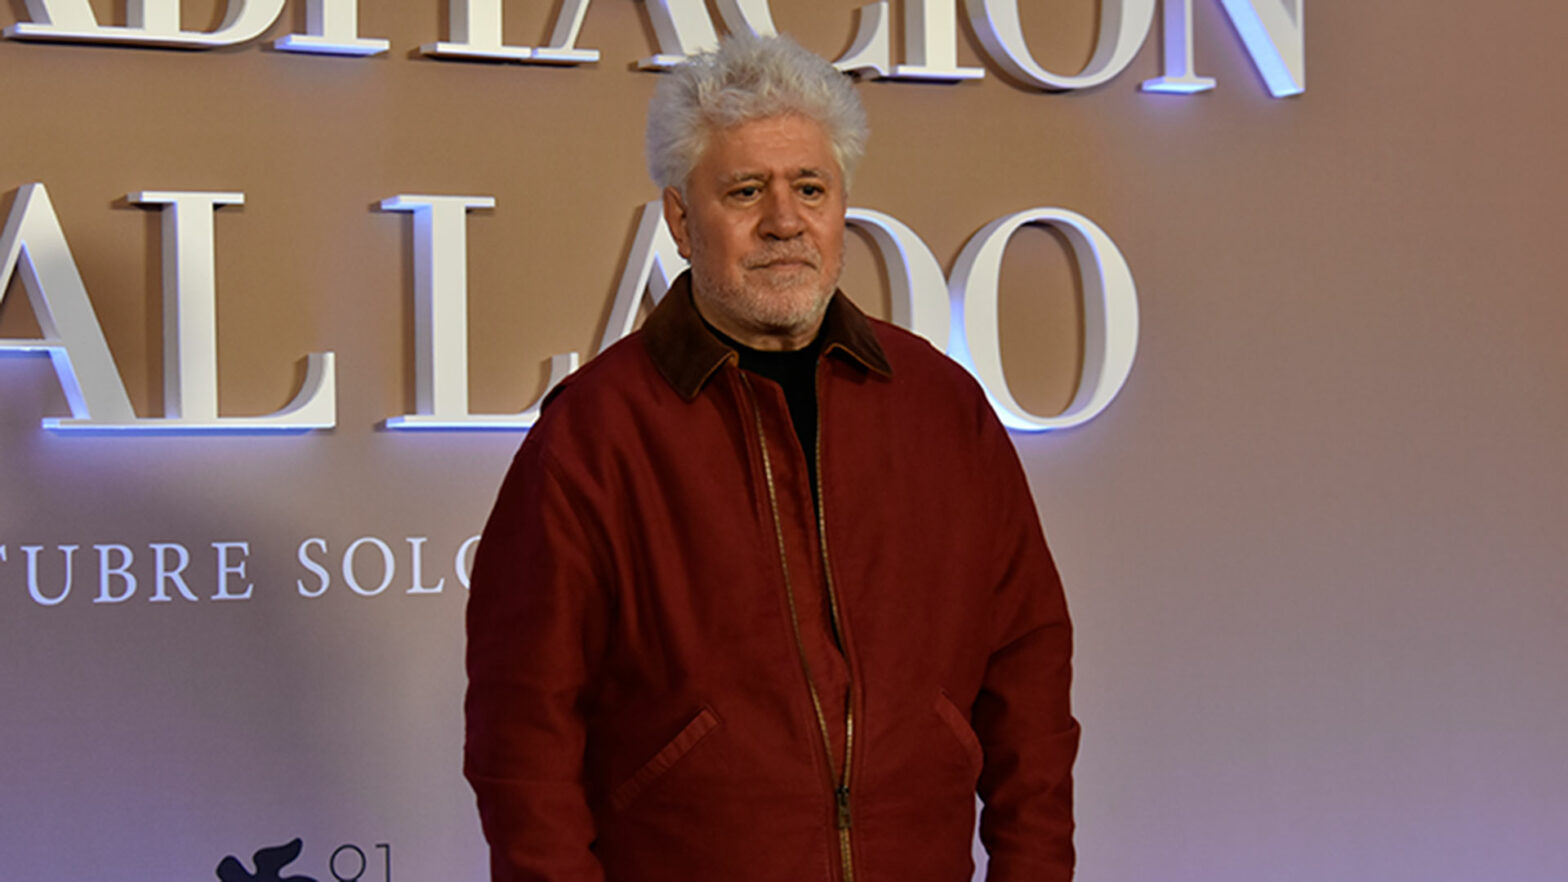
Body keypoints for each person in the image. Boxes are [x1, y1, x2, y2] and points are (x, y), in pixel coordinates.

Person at [464, 34, 1079, 882]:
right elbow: (522, 739)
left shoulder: (943, 409)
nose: (784, 221)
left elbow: (1031, 675)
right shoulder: (593, 439)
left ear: (841, 207)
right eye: (745, 191)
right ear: (681, 219)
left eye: (810, 189)